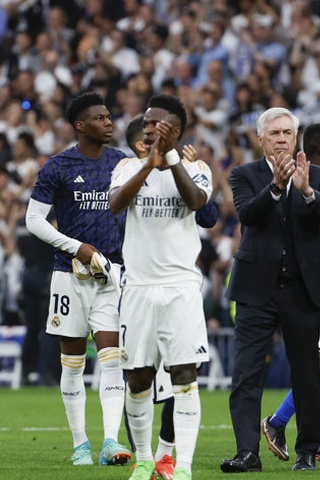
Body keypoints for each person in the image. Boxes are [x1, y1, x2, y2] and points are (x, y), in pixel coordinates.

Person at [221, 110, 320, 473]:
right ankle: (248, 452)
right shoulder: (244, 174)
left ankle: (307, 451)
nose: (281, 138)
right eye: (274, 132)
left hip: (302, 289)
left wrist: (306, 190)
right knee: (245, 373)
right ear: (260, 139)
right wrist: (275, 187)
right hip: (256, 289)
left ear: (296, 137)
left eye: (288, 132)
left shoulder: (317, 174)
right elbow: (248, 216)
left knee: (306, 372)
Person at [24, 91, 132, 466]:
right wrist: (76, 247)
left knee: (112, 358)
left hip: (111, 277)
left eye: (109, 116)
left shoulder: (122, 163)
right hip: (68, 275)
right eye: (100, 118)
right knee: (72, 362)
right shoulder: (59, 165)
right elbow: (33, 220)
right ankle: (80, 445)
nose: (109, 123)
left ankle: (111, 443)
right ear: (80, 125)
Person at [108, 94, 212, 480]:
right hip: (137, 287)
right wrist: (148, 166)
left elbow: (197, 201)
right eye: (147, 123)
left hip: (180, 287)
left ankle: (181, 467)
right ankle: (146, 461)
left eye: (157, 124)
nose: (149, 129)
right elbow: (116, 204)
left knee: (184, 374)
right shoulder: (126, 166)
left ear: (176, 130)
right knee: (138, 377)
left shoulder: (196, 166)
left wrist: (169, 161)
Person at [261, 123, 320, 463]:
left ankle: (309, 435)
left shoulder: (319, 184)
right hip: (313, 281)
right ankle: (280, 422)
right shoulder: (303, 185)